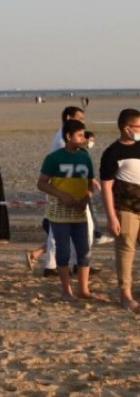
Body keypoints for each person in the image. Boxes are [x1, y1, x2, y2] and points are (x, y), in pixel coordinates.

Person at [38, 119, 100, 301]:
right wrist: (61, 195)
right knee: (63, 251)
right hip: (60, 214)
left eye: (84, 135)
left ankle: (83, 289)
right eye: (79, 135)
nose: (83, 139)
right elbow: (41, 183)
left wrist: (87, 198)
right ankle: (66, 291)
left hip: (80, 212)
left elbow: (90, 184)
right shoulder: (53, 158)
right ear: (68, 136)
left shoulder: (85, 157)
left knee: (84, 251)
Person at [100, 108, 140, 311]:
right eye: (139, 127)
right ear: (127, 128)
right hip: (126, 208)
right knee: (126, 251)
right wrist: (112, 216)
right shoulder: (112, 153)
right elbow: (106, 187)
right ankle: (126, 295)